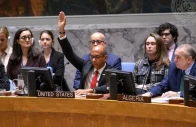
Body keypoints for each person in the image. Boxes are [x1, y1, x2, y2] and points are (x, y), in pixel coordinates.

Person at [58, 11, 117, 95]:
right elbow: (69, 54)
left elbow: (110, 86)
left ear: (105, 57)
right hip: (83, 101)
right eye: (92, 56)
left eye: (97, 57)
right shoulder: (85, 65)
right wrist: (61, 31)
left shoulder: (110, 71)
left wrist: (91, 90)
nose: (93, 60)